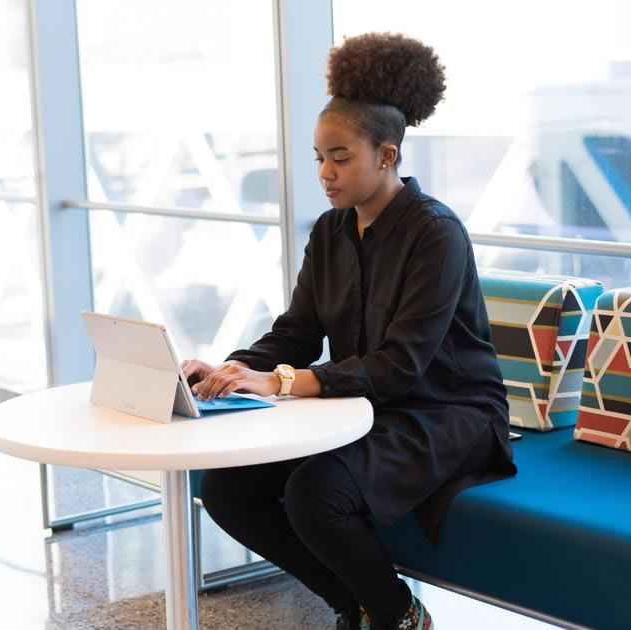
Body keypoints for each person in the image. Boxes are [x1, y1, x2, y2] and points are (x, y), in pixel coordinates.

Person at [181, 33, 517, 630]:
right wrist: (232, 368)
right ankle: (356, 605)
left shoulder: (436, 233)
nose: (325, 173)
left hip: (449, 412)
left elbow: (402, 365)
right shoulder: (332, 232)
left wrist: (281, 383)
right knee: (227, 489)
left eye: (340, 157)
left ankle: (398, 616)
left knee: (318, 492)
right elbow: (298, 330)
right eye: (318, 157)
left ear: (386, 156)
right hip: (360, 405)